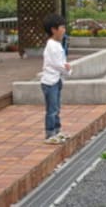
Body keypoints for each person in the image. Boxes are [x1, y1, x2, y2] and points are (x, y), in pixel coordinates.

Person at [40, 13, 72, 144]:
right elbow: (58, 64)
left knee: (56, 108)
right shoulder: (52, 45)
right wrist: (68, 69)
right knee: (52, 109)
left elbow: (61, 63)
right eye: (62, 27)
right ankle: (50, 133)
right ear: (54, 29)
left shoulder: (56, 44)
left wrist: (66, 68)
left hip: (56, 80)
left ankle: (57, 131)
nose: (64, 30)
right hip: (50, 82)